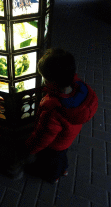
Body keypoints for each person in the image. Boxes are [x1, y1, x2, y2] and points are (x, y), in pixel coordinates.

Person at [24, 48, 98, 183]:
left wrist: (30, 148)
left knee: (51, 160)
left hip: (55, 144)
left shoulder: (53, 109)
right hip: (67, 137)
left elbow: (44, 136)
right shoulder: (80, 89)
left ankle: (53, 177)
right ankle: (64, 169)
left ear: (52, 82)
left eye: (44, 78)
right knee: (62, 155)